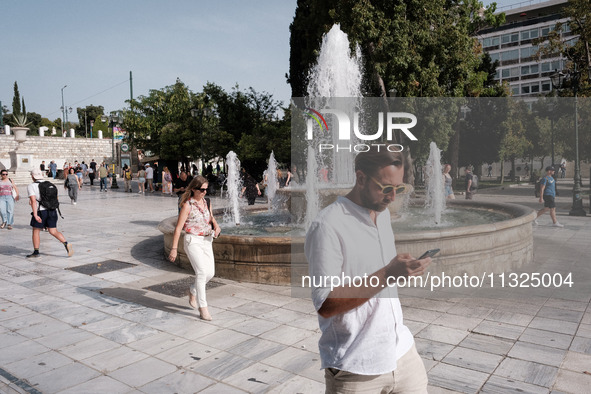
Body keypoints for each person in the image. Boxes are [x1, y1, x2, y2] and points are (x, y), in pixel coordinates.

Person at [305, 147, 431, 393]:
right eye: (385, 188)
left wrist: (399, 269)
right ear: (361, 178)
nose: (392, 197)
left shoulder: (381, 214)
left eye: (399, 188)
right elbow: (326, 304)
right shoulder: (328, 225)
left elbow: (375, 276)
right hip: (356, 366)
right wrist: (387, 274)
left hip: (403, 353)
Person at [168, 176, 221, 321]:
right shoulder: (187, 205)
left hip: (207, 240)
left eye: (206, 189)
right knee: (202, 272)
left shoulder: (207, 201)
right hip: (193, 241)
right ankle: (203, 308)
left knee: (210, 273)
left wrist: (216, 226)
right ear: (193, 189)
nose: (205, 192)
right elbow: (178, 228)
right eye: (202, 190)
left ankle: (192, 290)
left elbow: (210, 217)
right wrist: (173, 248)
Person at [26, 168, 73, 258]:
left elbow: (33, 200)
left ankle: (36, 251)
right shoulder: (50, 184)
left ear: (32, 176)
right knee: (53, 231)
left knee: (36, 231)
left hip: (41, 211)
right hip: (52, 210)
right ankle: (66, 244)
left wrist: (35, 214)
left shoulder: (31, 186)